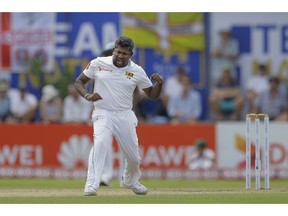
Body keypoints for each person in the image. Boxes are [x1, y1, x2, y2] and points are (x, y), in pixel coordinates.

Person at [74, 36, 163, 196]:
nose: (120, 56)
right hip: (103, 112)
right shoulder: (98, 63)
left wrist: (159, 85)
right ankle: (91, 184)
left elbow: (152, 94)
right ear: (114, 50)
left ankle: (130, 181)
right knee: (100, 143)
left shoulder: (136, 70)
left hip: (125, 115)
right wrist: (87, 95)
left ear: (130, 54)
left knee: (134, 158)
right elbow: (79, 82)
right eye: (118, 52)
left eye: (125, 54)